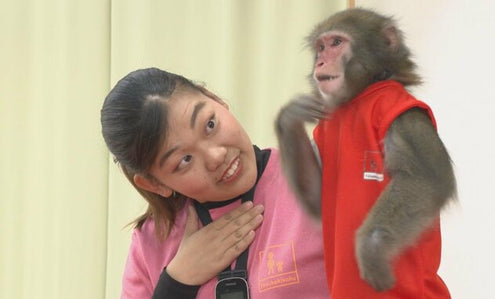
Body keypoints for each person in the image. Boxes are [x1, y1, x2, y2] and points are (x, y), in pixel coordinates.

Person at [100, 67, 330, 298]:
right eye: (185, 160)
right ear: (154, 184)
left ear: (215, 99)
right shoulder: (151, 241)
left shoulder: (318, 173)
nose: (216, 156)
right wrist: (176, 283)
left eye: (210, 124)